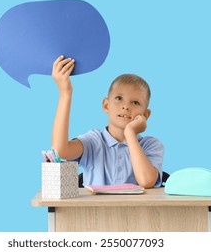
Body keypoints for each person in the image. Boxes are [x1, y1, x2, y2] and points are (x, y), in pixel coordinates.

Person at [51, 55, 164, 188]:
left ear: (145, 114)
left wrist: (130, 133)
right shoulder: (94, 141)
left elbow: (146, 181)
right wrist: (65, 93)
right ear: (106, 105)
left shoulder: (151, 145)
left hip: (137, 210)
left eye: (135, 102)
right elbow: (60, 151)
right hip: (95, 210)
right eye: (119, 98)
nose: (126, 106)